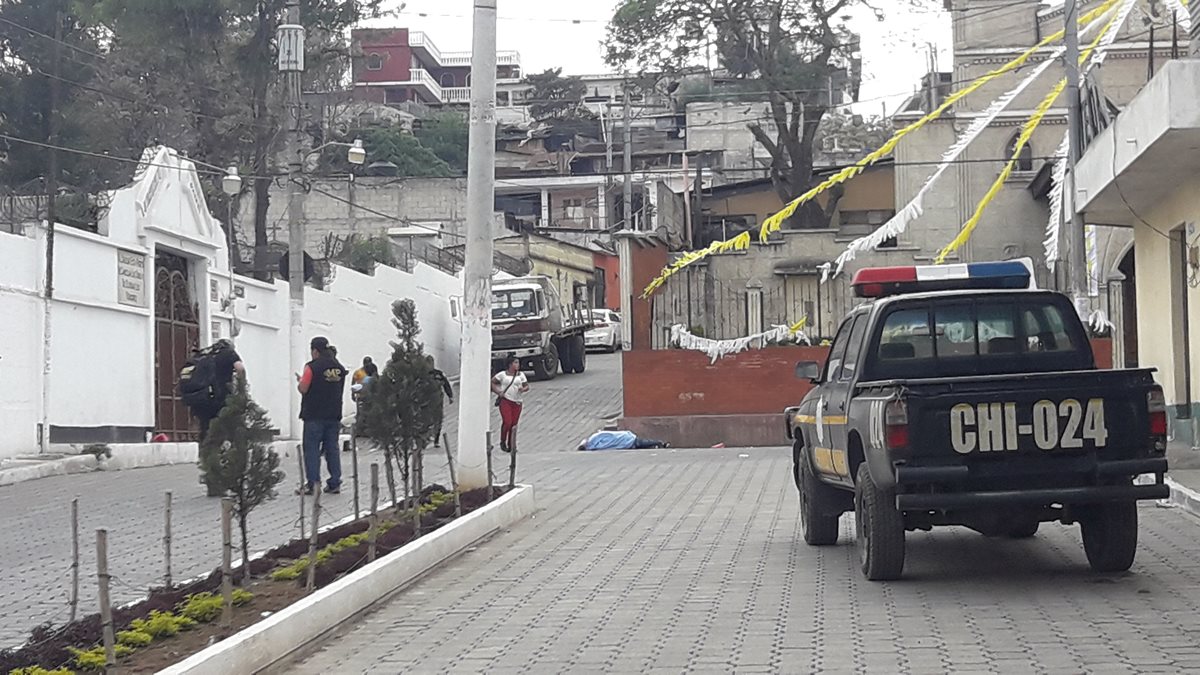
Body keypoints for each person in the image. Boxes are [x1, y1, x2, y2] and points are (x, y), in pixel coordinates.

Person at [297, 336, 348, 495]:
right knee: (332, 449)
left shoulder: (312, 367)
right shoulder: (339, 368)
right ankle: (334, 482)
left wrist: (300, 382)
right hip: (333, 415)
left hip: (314, 415)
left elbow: (304, 388)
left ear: (315, 351)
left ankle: (313, 483)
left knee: (312, 449)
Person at [191, 339, 245, 443]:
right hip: (221, 395)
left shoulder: (206, 355)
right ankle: (228, 451)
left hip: (201, 396)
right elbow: (240, 368)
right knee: (229, 423)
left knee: (206, 427)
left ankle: (205, 453)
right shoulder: (229, 353)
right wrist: (241, 388)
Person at [490, 354, 529, 453]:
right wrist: (499, 392)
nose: (517, 365)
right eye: (515, 363)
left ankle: (511, 444)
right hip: (506, 400)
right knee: (507, 422)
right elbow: (493, 382)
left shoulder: (521, 375)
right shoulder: (502, 375)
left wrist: (523, 389)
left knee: (514, 424)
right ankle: (503, 441)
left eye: (518, 363)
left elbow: (527, 386)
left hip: (517, 402)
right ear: (510, 364)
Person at [429, 358, 453, 448]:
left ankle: (436, 440)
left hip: (438, 401)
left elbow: (446, 384)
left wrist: (450, 396)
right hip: (426, 402)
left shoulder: (438, 374)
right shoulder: (422, 374)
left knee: (438, 420)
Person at [577, 430, 669, 451]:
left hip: (624, 440)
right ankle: (659, 444)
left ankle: (660, 443)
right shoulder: (594, 439)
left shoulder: (594, 442)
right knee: (641, 443)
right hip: (624, 438)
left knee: (641, 443)